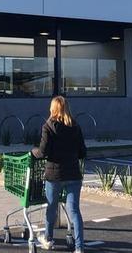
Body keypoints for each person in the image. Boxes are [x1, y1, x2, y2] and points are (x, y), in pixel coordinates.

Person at [31, 95, 87, 253]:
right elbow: (83, 152)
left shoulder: (48, 126)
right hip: (74, 174)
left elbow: (42, 152)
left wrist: (32, 152)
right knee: (74, 211)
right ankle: (79, 247)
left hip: (54, 175)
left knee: (51, 208)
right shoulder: (75, 126)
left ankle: (48, 239)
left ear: (53, 109)